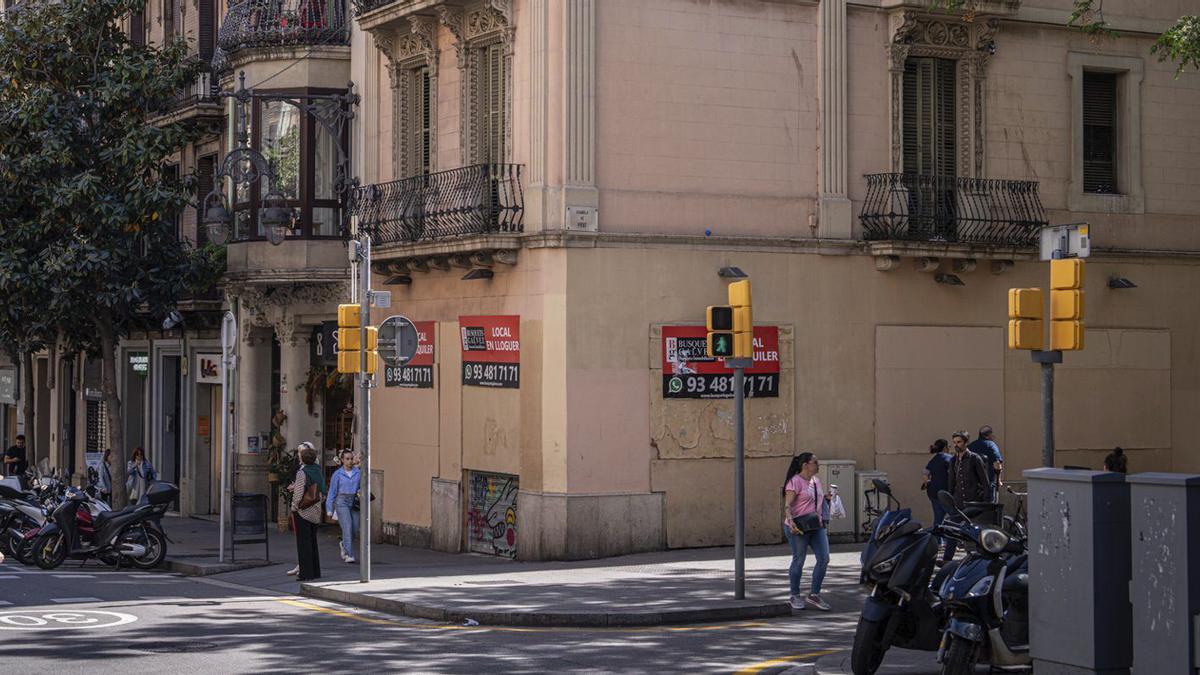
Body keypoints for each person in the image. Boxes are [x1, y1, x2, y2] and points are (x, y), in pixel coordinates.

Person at [781, 452, 832, 612]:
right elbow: (787, 506)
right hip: (798, 527)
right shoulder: (795, 482)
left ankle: (814, 594)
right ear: (805, 465)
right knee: (799, 560)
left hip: (816, 526)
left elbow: (816, 501)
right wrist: (791, 521)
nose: (818, 465)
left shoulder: (816, 481)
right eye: (815, 462)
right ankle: (794, 595)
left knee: (824, 558)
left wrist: (827, 499)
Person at [290, 442, 325, 582]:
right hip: (316, 510)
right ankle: (315, 571)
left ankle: (305, 573)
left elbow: (298, 494)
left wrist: (294, 507)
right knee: (312, 542)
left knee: (303, 544)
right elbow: (322, 490)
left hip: (303, 512)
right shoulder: (317, 470)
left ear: (302, 459)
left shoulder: (302, 473)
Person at [922, 439, 955, 563]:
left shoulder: (933, 460)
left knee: (938, 518)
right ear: (945, 447)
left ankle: (938, 542)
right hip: (945, 493)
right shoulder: (949, 458)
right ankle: (952, 542)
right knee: (954, 518)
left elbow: (925, 474)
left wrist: (927, 482)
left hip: (933, 493)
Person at [326, 449, 361, 564]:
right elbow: (332, 491)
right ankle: (349, 554)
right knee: (347, 527)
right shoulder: (337, 474)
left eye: (351, 459)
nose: (350, 461)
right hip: (342, 502)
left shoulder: (358, 472)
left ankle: (343, 544)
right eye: (347, 459)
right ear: (342, 460)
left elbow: (362, 487)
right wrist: (329, 508)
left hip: (354, 501)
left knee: (355, 529)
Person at [948, 431, 989, 508]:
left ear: (966, 443)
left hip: (974, 502)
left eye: (959, 442)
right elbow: (951, 481)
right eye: (954, 442)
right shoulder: (953, 460)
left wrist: (986, 502)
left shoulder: (975, 458)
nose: (955, 445)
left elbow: (985, 481)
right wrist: (950, 500)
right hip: (958, 502)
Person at [967, 425, 1004, 501]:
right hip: (988, 483)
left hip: (972, 485)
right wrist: (998, 480)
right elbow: (997, 463)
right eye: (992, 434)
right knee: (989, 505)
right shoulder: (991, 445)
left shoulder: (970, 446)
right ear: (988, 435)